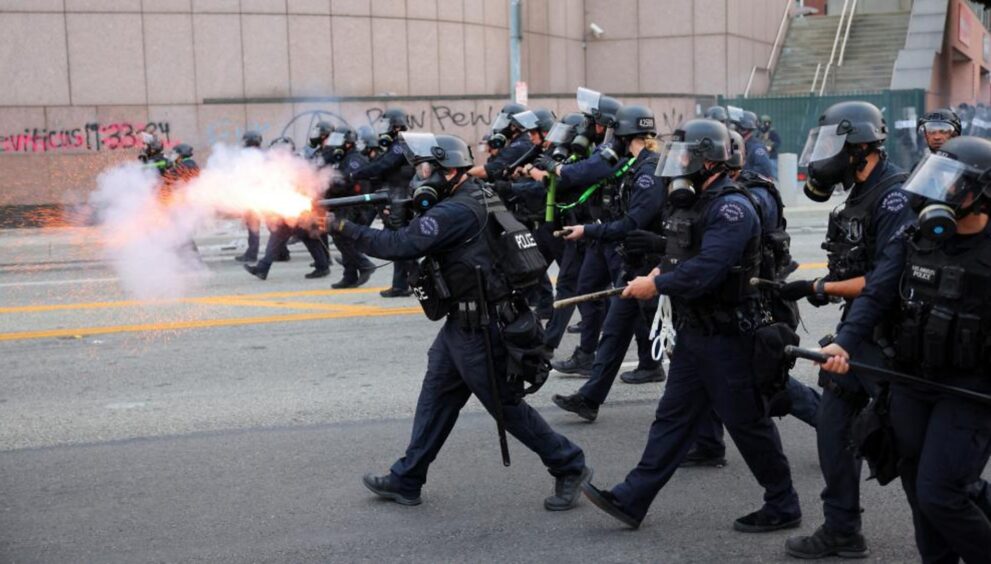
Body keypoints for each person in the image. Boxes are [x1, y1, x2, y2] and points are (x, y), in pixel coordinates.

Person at [325, 132, 591, 510]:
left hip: (484, 327)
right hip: (464, 323)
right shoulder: (473, 193)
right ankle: (408, 478)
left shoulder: (456, 211)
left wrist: (341, 227)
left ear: (448, 171)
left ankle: (569, 465)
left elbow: (400, 245)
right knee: (436, 397)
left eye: (425, 169)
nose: (419, 177)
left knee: (506, 407)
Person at [580, 118, 802, 533]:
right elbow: (680, 254)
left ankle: (783, 503)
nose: (678, 164)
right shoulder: (695, 202)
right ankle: (632, 498)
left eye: (685, 157)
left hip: (730, 337)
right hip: (696, 332)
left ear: (708, 161)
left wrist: (656, 285)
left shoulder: (731, 208)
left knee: (748, 425)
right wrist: (655, 270)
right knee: (672, 419)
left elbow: (706, 270)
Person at [814, 135, 991, 563]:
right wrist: (844, 343)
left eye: (954, 183)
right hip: (911, 379)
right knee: (916, 486)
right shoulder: (916, 235)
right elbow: (876, 293)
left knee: (941, 493)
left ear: (981, 193)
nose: (940, 191)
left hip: (970, 390)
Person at [780, 101, 914, 559]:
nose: (825, 156)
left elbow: (885, 281)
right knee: (833, 428)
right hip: (858, 334)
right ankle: (841, 529)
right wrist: (828, 287)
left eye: (834, 144)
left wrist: (819, 286)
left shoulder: (895, 197)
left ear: (861, 148)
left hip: (893, 341)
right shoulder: (858, 196)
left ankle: (962, 527)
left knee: (913, 449)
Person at [683, 130, 821, 468]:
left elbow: (726, 243)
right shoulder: (713, 192)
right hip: (720, 299)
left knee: (769, 380)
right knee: (704, 370)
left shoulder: (750, 195)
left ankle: (837, 426)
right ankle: (708, 443)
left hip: (758, 300)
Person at [549, 105, 666, 422]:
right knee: (614, 333)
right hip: (635, 265)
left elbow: (631, 224)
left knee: (679, 345)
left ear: (625, 135)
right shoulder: (636, 166)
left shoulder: (648, 173)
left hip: (652, 269)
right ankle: (589, 399)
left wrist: (588, 230)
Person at [349, 108, 417, 298]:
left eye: (386, 125)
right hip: (395, 196)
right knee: (398, 243)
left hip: (400, 197)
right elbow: (379, 164)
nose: (383, 129)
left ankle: (416, 281)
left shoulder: (401, 144)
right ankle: (401, 285)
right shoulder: (395, 145)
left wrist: (356, 174)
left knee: (399, 243)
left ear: (396, 127)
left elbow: (383, 165)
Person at [323, 127, 376, 289]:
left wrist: (326, 185)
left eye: (337, 141)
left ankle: (365, 264)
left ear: (347, 143)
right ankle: (349, 276)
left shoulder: (354, 160)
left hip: (354, 206)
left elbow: (343, 183)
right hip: (344, 204)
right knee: (343, 238)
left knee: (341, 237)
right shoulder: (343, 158)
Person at [468, 101, 530, 181]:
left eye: (504, 122)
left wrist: (465, 174)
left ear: (514, 126)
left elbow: (490, 170)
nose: (501, 127)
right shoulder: (516, 141)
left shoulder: (520, 145)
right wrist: (495, 153)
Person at [236, 130, 264, 263]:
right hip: (260, 196)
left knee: (253, 227)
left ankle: (252, 254)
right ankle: (281, 252)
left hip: (254, 197)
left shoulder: (249, 157)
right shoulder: (262, 155)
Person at [729, 108, 774, 179]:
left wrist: (741, 175)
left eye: (736, 126)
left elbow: (765, 170)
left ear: (743, 129)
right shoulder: (739, 144)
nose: (733, 128)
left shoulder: (756, 147)